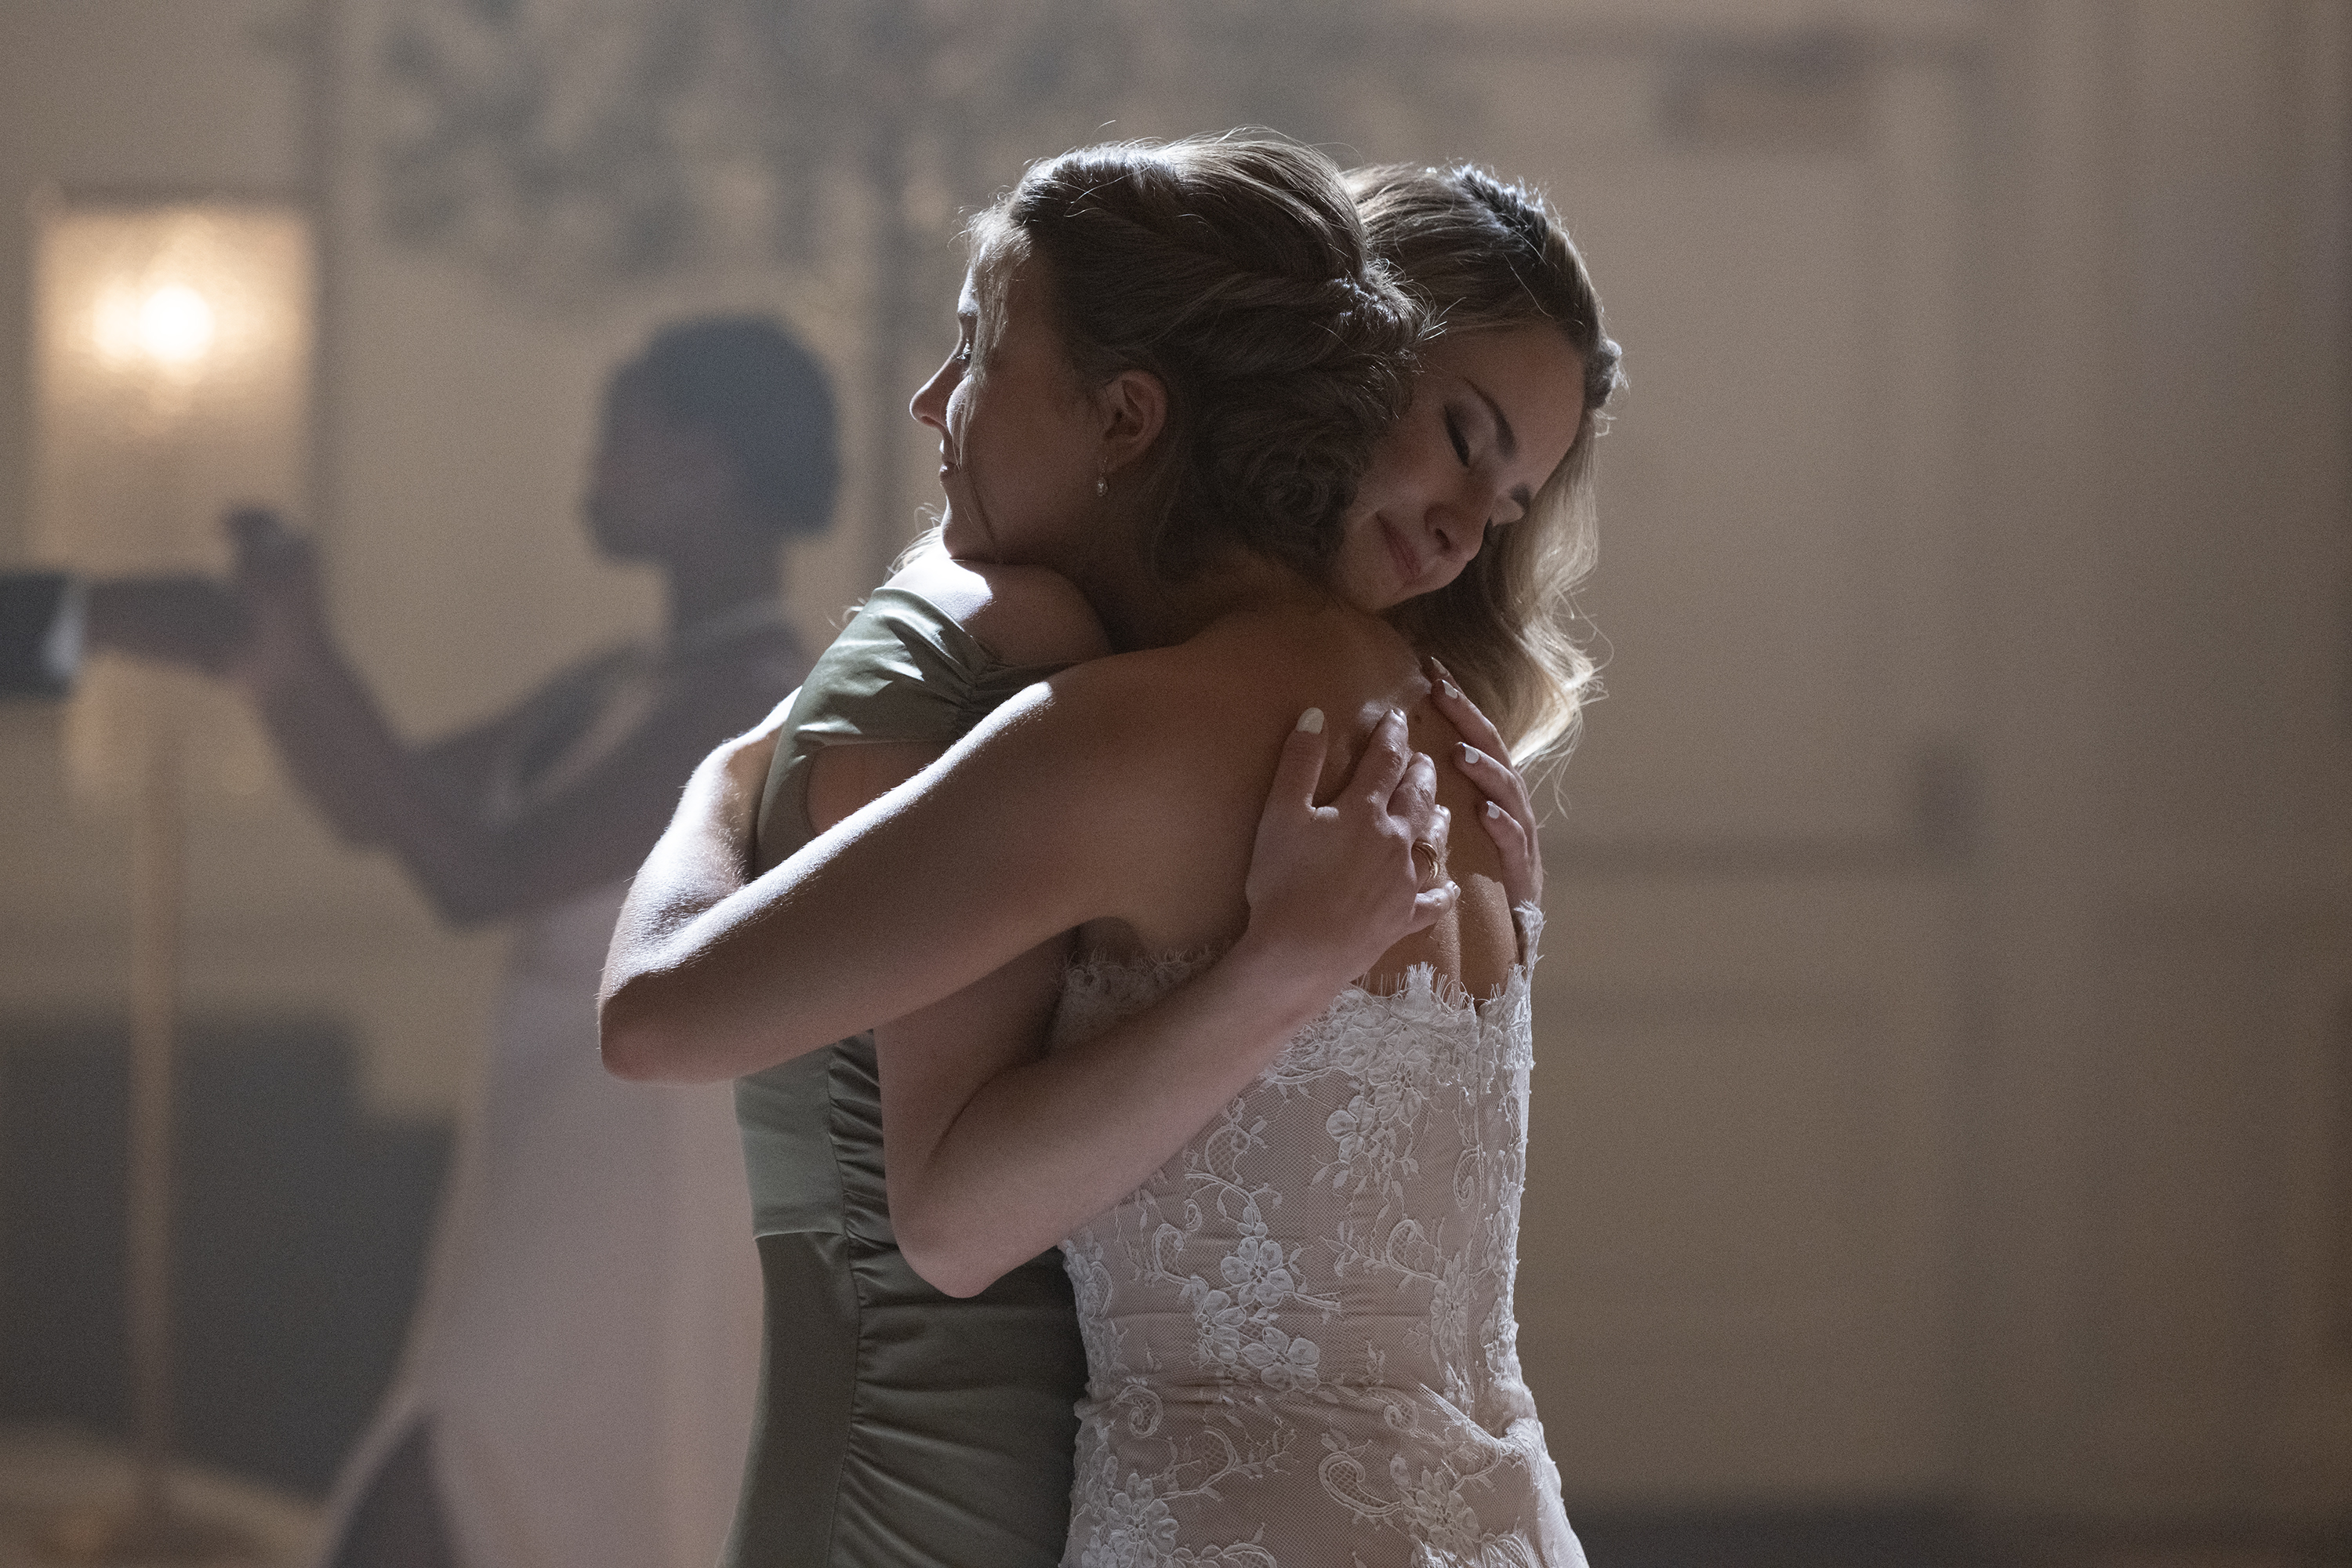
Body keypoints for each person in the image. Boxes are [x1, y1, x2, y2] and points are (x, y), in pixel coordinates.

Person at [604, 146, 1617, 1568]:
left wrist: (722, 782)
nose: (936, 404)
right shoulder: (1451, 736)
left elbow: (659, 1022)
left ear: (1131, 414)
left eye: (980, 351)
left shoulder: (1122, 737)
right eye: (1460, 442)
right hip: (1499, 1521)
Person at [143, 315, 837, 1568]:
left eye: (620, 433)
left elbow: (480, 879)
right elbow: (382, 805)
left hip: (644, 1187)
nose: (592, 465)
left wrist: (304, 655)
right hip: (546, 1154)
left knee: (450, 1486)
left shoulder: (751, 704)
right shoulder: (618, 683)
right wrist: (283, 666)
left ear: (707, 464)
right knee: (480, 1490)